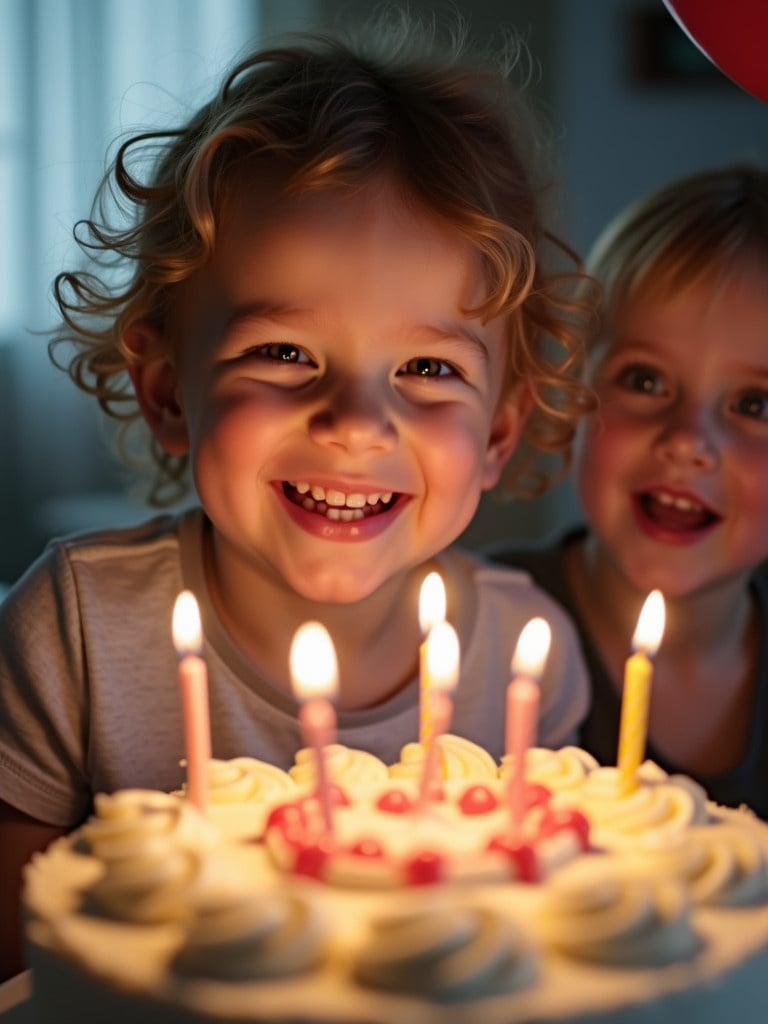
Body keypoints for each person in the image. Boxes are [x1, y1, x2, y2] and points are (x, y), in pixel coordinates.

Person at [0, 10, 596, 979]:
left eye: (427, 367)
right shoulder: (76, 630)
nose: (356, 421)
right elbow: (26, 968)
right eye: (283, 352)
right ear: (166, 394)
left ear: (497, 431)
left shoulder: (530, 664)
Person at [490, 164, 768, 819]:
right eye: (645, 381)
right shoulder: (477, 634)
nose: (687, 439)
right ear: (571, 393)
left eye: (755, 402)